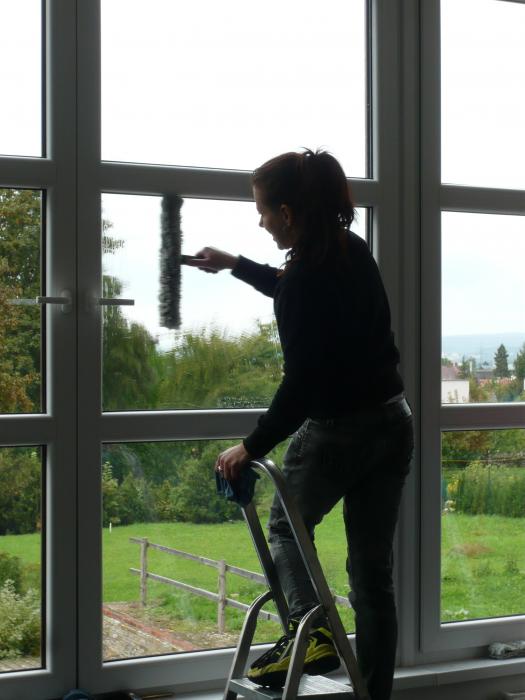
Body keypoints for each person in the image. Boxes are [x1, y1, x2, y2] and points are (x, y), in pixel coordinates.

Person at [186, 149, 414, 700]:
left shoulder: (305, 279)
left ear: (287, 213)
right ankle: (374, 693)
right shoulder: (349, 250)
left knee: (287, 529)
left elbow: (302, 386)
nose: (260, 222)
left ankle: (310, 636)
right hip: (392, 424)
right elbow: (295, 288)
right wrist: (236, 264)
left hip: (337, 433)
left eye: (263, 212)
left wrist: (250, 446)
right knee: (372, 578)